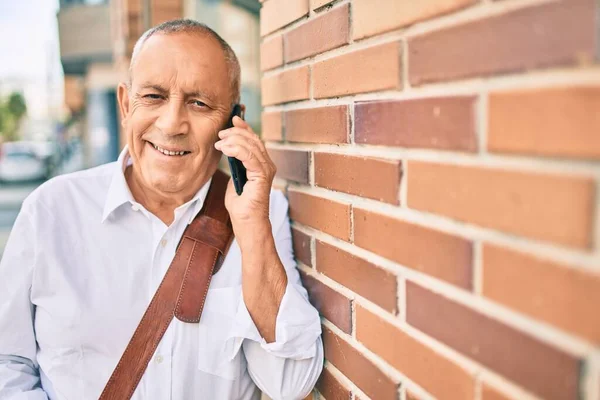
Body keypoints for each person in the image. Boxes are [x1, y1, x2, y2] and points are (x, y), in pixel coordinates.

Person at [0, 19, 323, 400]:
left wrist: (253, 231)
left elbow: (291, 384)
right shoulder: (51, 211)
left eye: (199, 103)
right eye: (153, 96)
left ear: (233, 120)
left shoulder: (260, 216)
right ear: (125, 104)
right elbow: (8, 363)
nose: (171, 124)